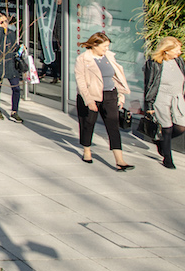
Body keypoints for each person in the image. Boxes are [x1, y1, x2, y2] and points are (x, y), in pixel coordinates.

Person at [74, 31, 133, 170]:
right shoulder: (83, 59)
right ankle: (87, 150)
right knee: (88, 123)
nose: (106, 49)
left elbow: (117, 77)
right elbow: (80, 81)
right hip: (91, 96)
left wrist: (121, 96)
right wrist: (88, 100)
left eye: (107, 46)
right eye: (104, 46)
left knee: (113, 126)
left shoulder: (109, 57)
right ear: (95, 45)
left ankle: (120, 160)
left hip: (110, 94)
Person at [143, 36, 185, 169]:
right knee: (166, 127)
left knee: (181, 126)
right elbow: (149, 85)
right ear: (167, 50)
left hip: (177, 98)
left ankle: (160, 141)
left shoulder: (179, 61)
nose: (180, 52)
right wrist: (149, 105)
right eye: (177, 49)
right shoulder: (154, 63)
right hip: (161, 98)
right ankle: (168, 158)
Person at [0, 13, 24, 123]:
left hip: (10, 65)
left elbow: (14, 46)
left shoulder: (11, 34)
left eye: (6, 21)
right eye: (2, 22)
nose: (5, 24)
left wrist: (20, 48)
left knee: (16, 88)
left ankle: (14, 112)